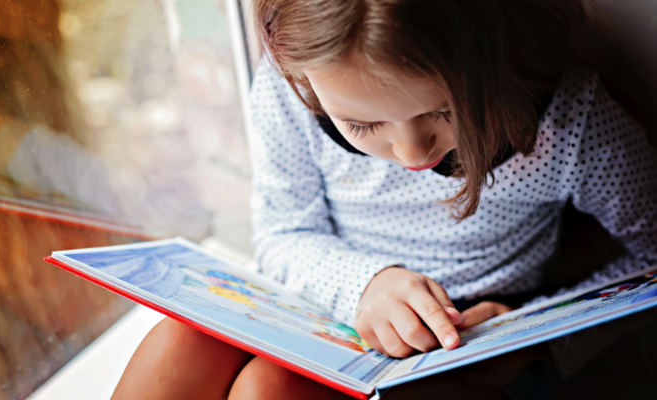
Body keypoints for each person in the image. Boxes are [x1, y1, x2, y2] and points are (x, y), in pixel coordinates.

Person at [112, 0, 657, 399]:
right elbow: (281, 235)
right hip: (329, 310)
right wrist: (365, 285)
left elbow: (651, 262)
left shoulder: (572, 125)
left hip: (470, 351)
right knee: (182, 341)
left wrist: (530, 332)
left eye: (443, 112)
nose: (410, 149)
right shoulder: (289, 91)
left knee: (268, 390)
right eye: (363, 123)